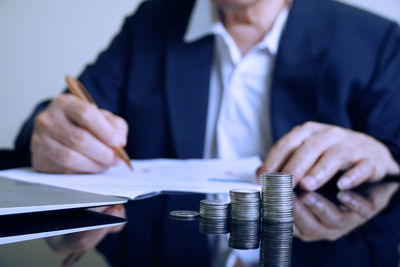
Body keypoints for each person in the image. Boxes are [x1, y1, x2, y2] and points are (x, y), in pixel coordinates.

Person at [14, 0, 400, 191]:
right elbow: (62, 117)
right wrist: (49, 135)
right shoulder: (152, 23)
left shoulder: (374, 41)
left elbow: (393, 147)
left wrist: (383, 154)